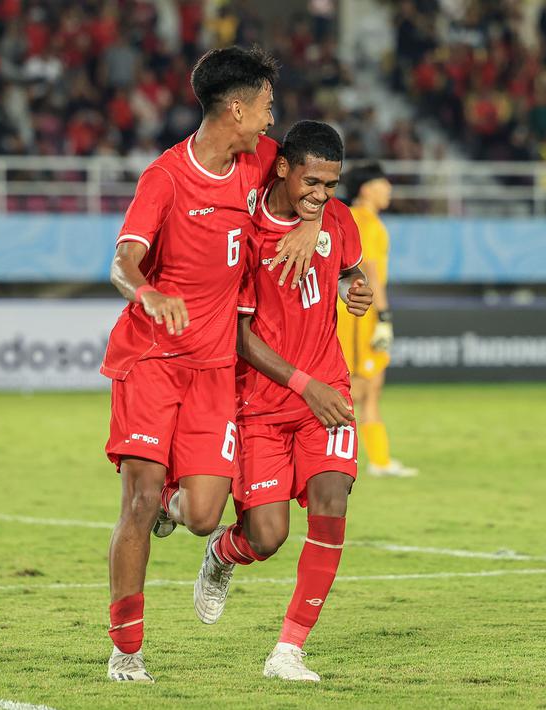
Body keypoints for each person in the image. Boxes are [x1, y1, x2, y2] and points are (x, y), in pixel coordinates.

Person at [100, 45, 319, 684]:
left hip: (213, 371)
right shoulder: (164, 178)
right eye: (266, 105)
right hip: (150, 358)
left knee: (201, 516)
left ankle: (178, 509)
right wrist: (150, 292)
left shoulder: (259, 162)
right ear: (236, 107)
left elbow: (314, 183)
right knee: (138, 502)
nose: (270, 116)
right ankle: (127, 651)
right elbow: (123, 262)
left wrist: (312, 221)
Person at [193, 121, 373, 682]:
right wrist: (303, 386)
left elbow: (348, 268)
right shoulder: (246, 234)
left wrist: (355, 288)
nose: (321, 194)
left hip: (329, 391)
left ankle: (289, 649)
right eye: (312, 181)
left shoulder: (336, 219)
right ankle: (225, 553)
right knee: (266, 537)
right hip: (266, 404)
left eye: (332, 184)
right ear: (283, 168)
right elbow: (238, 337)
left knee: (332, 500)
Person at [335, 163, 418, 477]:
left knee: (370, 389)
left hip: (357, 311)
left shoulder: (359, 219)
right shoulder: (364, 221)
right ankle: (323, 455)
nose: (389, 189)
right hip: (359, 314)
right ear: (367, 187)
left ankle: (380, 460)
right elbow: (368, 272)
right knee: (355, 389)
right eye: (384, 183)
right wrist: (383, 316)